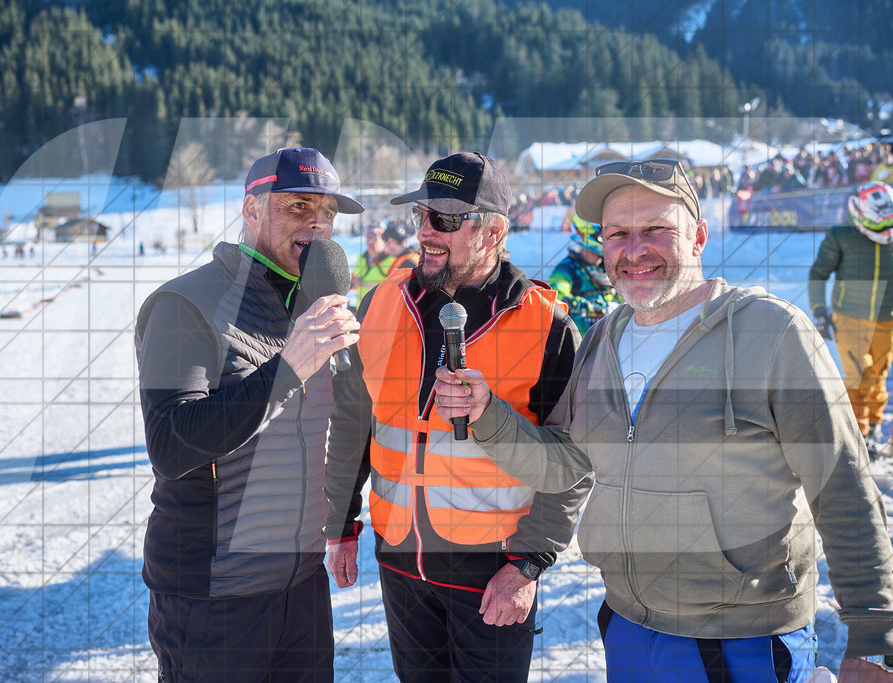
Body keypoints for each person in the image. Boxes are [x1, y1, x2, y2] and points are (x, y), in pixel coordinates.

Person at [434, 159, 893, 681]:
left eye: (655, 229)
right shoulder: (602, 341)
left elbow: (843, 485)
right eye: (617, 233)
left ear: (698, 236)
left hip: (742, 638)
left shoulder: (771, 333)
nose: (634, 249)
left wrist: (875, 636)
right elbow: (566, 465)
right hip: (629, 626)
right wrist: (487, 414)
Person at [325, 152, 593, 681]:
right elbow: (355, 421)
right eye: (421, 216)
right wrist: (341, 520)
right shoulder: (381, 304)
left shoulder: (548, 326)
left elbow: (574, 463)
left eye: (445, 219)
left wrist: (528, 566)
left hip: (492, 570)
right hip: (400, 561)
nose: (425, 230)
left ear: (493, 232)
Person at [134, 147, 364, 682]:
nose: (317, 224)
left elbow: (336, 427)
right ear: (252, 209)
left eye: (327, 212)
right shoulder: (186, 304)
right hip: (213, 595)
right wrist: (288, 370)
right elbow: (170, 445)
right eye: (297, 207)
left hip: (302, 586)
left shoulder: (314, 308)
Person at [809, 181, 893, 454]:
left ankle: (875, 423)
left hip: (887, 318)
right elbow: (818, 272)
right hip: (849, 317)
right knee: (859, 376)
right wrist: (819, 310)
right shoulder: (840, 235)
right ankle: (858, 431)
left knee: (878, 378)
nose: (886, 230)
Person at [548, 218, 621, 335]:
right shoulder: (567, 268)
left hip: (610, 336)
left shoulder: (610, 268)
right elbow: (555, 294)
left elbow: (624, 295)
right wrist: (578, 304)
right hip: (580, 339)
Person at [350, 223, 396, 302]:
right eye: (368, 238)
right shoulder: (361, 257)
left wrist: (365, 284)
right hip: (361, 311)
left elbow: (395, 290)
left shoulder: (392, 260)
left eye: (375, 238)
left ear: (383, 240)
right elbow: (352, 281)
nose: (371, 241)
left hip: (381, 311)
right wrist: (354, 283)